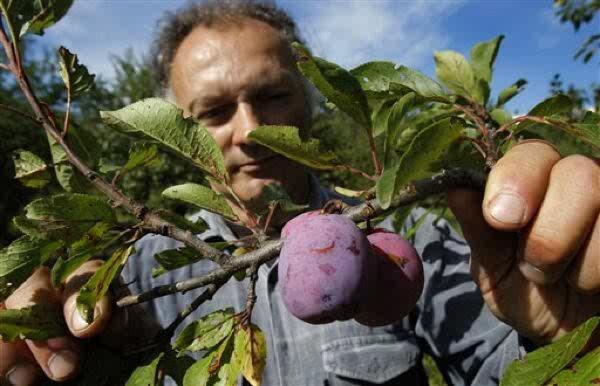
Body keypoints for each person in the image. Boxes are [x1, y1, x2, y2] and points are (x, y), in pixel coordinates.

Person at [1, 1, 599, 385]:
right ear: (178, 133)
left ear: (310, 102)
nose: (252, 130)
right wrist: (56, 347)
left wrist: (571, 334)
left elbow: (511, 372)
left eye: (273, 95)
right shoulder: (145, 277)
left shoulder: (412, 245)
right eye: (212, 111)